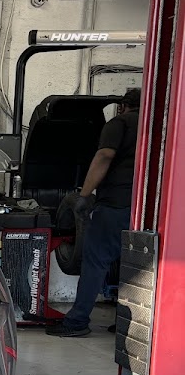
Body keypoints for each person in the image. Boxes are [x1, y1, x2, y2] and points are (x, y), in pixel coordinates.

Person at [46, 88, 141, 338]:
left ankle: (77, 321)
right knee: (136, 265)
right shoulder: (156, 127)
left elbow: (104, 155)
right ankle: (128, 323)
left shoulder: (119, 123)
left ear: (123, 106)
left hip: (114, 204)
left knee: (95, 261)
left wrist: (84, 195)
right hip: (144, 208)